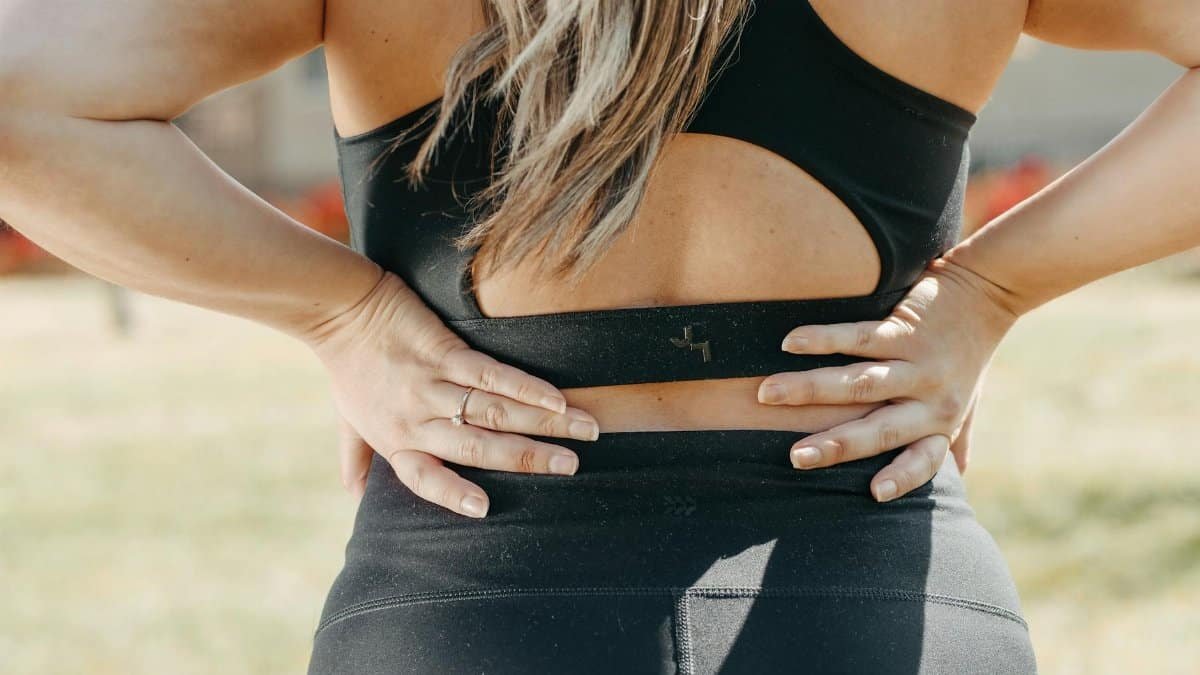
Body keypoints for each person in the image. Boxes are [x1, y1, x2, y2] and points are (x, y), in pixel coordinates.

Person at [2, 1, 1195, 673]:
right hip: (882, 611)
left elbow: (18, 95)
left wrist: (342, 312)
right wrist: (990, 290)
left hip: (466, 614)